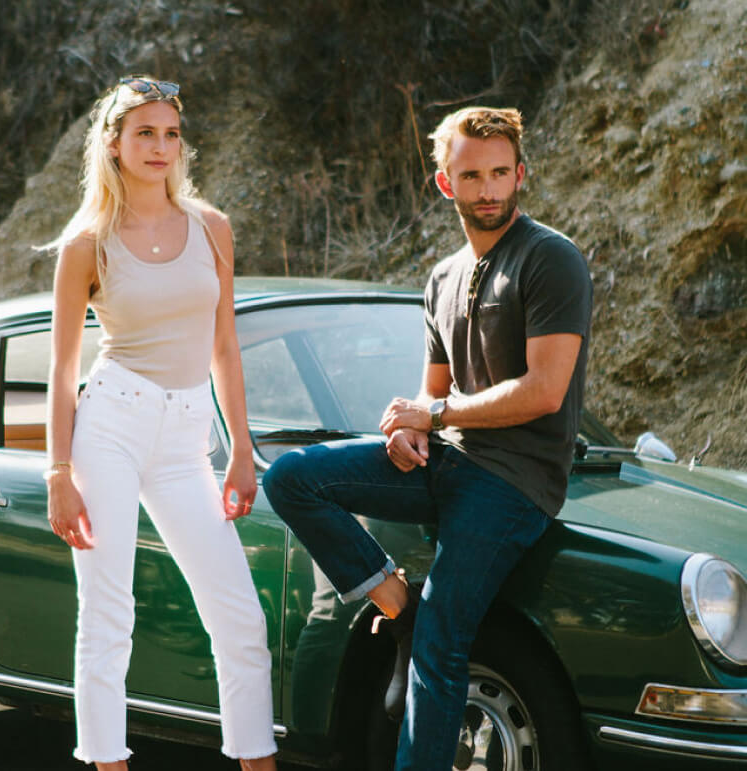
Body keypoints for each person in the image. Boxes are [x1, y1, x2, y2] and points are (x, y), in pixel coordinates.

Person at [262, 106, 593, 771]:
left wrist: (434, 418)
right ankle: (394, 599)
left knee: (441, 641)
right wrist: (408, 434)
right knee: (291, 477)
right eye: (473, 176)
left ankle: (420, 636)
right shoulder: (442, 277)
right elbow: (433, 396)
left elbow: (546, 390)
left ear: (520, 173)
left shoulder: (551, 259)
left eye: (501, 173)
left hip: (515, 481)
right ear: (447, 184)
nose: (489, 189)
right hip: (447, 462)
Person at [44, 75, 278, 771]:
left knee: (240, 617)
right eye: (144, 131)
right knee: (110, 617)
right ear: (112, 143)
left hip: (186, 436)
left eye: (170, 132)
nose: (160, 145)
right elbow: (59, 370)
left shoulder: (211, 227)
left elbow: (225, 345)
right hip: (110, 424)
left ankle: (256, 761)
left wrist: (242, 447)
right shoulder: (87, 243)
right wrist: (58, 471)